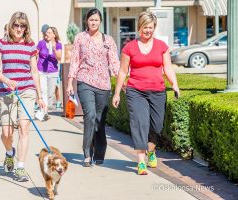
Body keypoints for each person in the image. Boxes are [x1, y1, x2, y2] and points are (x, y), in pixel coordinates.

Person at [112, 11, 180, 175]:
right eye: (145, 27)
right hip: (136, 91)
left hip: (157, 91)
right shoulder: (129, 47)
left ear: (154, 27)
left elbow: (168, 68)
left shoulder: (161, 47)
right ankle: (141, 162)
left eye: (150, 27)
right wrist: (116, 93)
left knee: (156, 126)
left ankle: (151, 151)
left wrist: (175, 84)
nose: (147, 30)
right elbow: (122, 71)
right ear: (139, 27)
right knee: (139, 124)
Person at [0, 11, 44, 182]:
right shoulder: (0, 44)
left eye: (23, 26)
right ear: (10, 25)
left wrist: (39, 95)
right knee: (6, 133)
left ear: (26, 28)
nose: (19, 28)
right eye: (16, 25)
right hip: (6, 92)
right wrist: (7, 81)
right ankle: (9, 153)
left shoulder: (30, 46)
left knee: (24, 128)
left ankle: (20, 167)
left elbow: (34, 71)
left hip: (26, 90)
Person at [66, 8, 119, 167]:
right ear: (86, 21)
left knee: (99, 120)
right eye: (91, 20)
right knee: (89, 117)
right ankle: (87, 153)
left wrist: (122, 84)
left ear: (100, 22)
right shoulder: (80, 38)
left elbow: (114, 63)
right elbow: (75, 60)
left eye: (96, 20)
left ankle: (100, 151)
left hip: (103, 84)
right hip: (85, 81)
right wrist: (70, 82)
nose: (94, 22)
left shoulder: (108, 40)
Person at [37, 26, 62, 120]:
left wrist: (54, 48)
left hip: (53, 72)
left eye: (49, 32)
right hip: (41, 70)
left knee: (50, 93)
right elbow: (35, 54)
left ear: (54, 34)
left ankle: (44, 110)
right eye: (46, 32)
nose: (47, 34)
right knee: (43, 91)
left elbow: (59, 58)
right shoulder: (41, 43)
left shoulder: (58, 44)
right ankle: (44, 112)